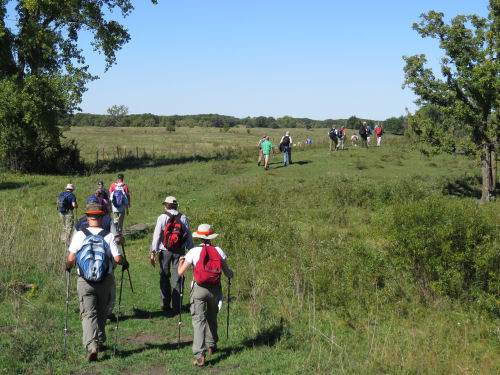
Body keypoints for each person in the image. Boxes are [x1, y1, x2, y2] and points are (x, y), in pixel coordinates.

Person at [65, 201, 129, 362]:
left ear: (87, 217)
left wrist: (67, 267)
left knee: (88, 314)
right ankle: (99, 340)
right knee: (102, 311)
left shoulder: (80, 234)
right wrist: (125, 263)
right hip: (104, 280)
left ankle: (92, 345)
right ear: (102, 217)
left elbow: (71, 258)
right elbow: (116, 258)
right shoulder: (107, 235)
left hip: (85, 281)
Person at [178, 224, 234, 367]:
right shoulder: (218, 250)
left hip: (199, 289)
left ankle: (199, 356)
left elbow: (181, 272)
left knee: (198, 321)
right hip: (215, 289)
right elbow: (227, 272)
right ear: (210, 237)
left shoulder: (193, 251)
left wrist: (181, 263)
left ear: (199, 237)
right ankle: (211, 345)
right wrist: (231, 274)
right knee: (212, 316)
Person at [74, 197, 122, 319]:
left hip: (84, 269)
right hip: (104, 264)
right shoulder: (107, 220)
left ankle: (84, 309)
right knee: (109, 284)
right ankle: (108, 310)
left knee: (85, 291)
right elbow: (116, 238)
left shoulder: (80, 223)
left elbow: (73, 247)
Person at [150, 196, 194, 314]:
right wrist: (192, 250)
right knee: (178, 277)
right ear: (175, 205)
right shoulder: (183, 217)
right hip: (180, 251)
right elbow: (188, 234)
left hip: (164, 251)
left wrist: (153, 252)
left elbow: (157, 235)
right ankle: (177, 305)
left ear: (166, 205)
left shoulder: (162, 217)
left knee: (164, 275)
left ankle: (165, 303)